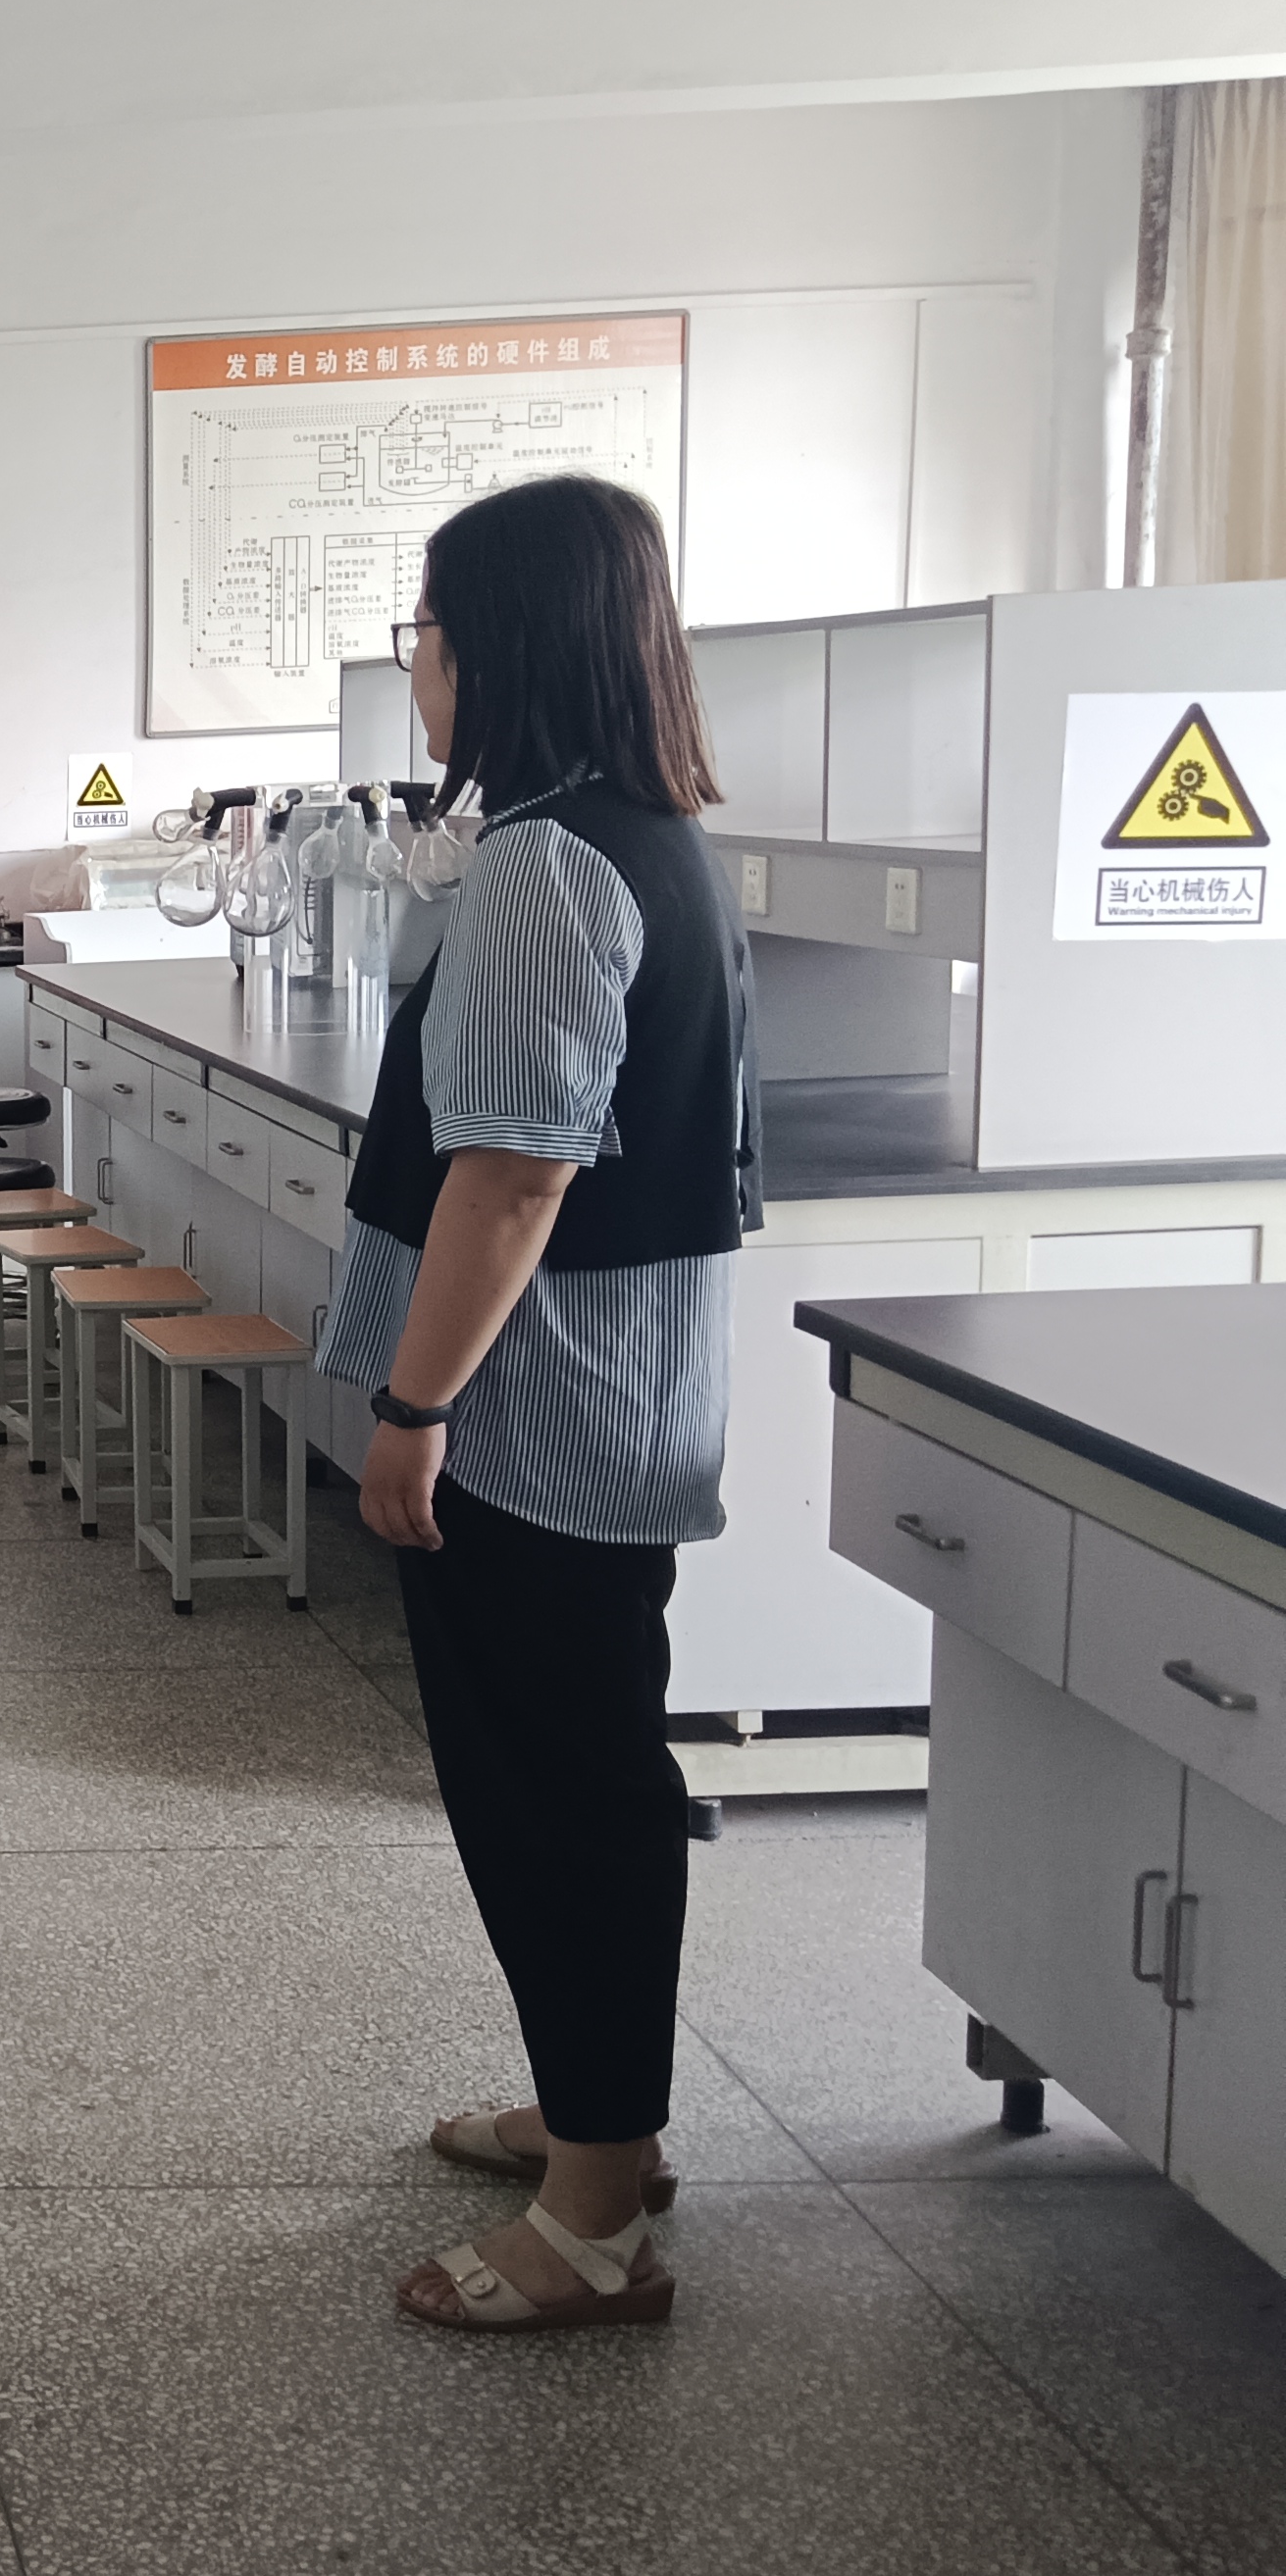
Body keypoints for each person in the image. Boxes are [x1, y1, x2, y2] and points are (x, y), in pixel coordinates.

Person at [322, 475, 759, 2335]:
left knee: (555, 1795)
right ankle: (599, 2121)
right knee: (583, 1769)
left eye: (426, 630)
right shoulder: (653, 838)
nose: (419, 665)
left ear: (496, 642)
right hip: (617, 1396)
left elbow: (510, 1179)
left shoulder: (547, 869)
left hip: (533, 1421)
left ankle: (593, 2219)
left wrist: (414, 1405)